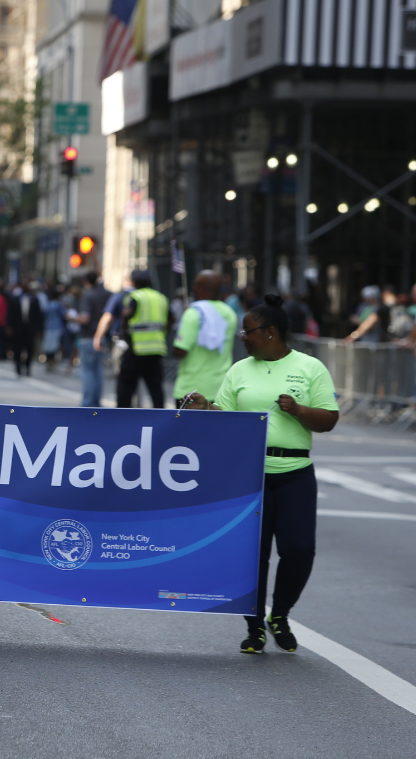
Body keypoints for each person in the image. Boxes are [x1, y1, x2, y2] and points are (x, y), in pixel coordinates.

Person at [183, 294, 339, 654]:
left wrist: (299, 410)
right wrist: (206, 407)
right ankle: (254, 627)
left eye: (248, 331)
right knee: (252, 555)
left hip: (295, 471)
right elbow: (225, 416)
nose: (242, 337)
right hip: (250, 474)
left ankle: (280, 615)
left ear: (270, 332)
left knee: (299, 549)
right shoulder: (240, 370)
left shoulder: (310, 367)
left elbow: (329, 419)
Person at [172, 270, 238, 407]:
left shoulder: (193, 313)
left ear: (199, 287)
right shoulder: (230, 313)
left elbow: (180, 350)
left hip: (190, 391)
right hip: (220, 390)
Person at [117, 269, 171, 408]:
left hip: (137, 348)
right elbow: (171, 318)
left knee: (126, 386)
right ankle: (159, 416)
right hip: (156, 349)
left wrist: (124, 333)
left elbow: (126, 315)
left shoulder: (135, 296)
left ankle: (121, 417)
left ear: (134, 282)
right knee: (155, 387)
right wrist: (162, 333)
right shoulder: (161, 297)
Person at [77, 272, 111, 407]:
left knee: (87, 372)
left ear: (86, 281)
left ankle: (87, 403)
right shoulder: (105, 294)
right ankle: (96, 402)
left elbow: (85, 318)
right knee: (98, 372)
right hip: (102, 337)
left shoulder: (88, 296)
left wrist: (72, 318)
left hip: (88, 337)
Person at [7, 282, 43, 377]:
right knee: (17, 349)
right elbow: (10, 314)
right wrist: (9, 327)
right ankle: (18, 368)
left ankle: (27, 367)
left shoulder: (34, 300)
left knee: (30, 349)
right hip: (17, 328)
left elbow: (38, 316)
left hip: (30, 328)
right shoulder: (14, 300)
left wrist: (39, 329)